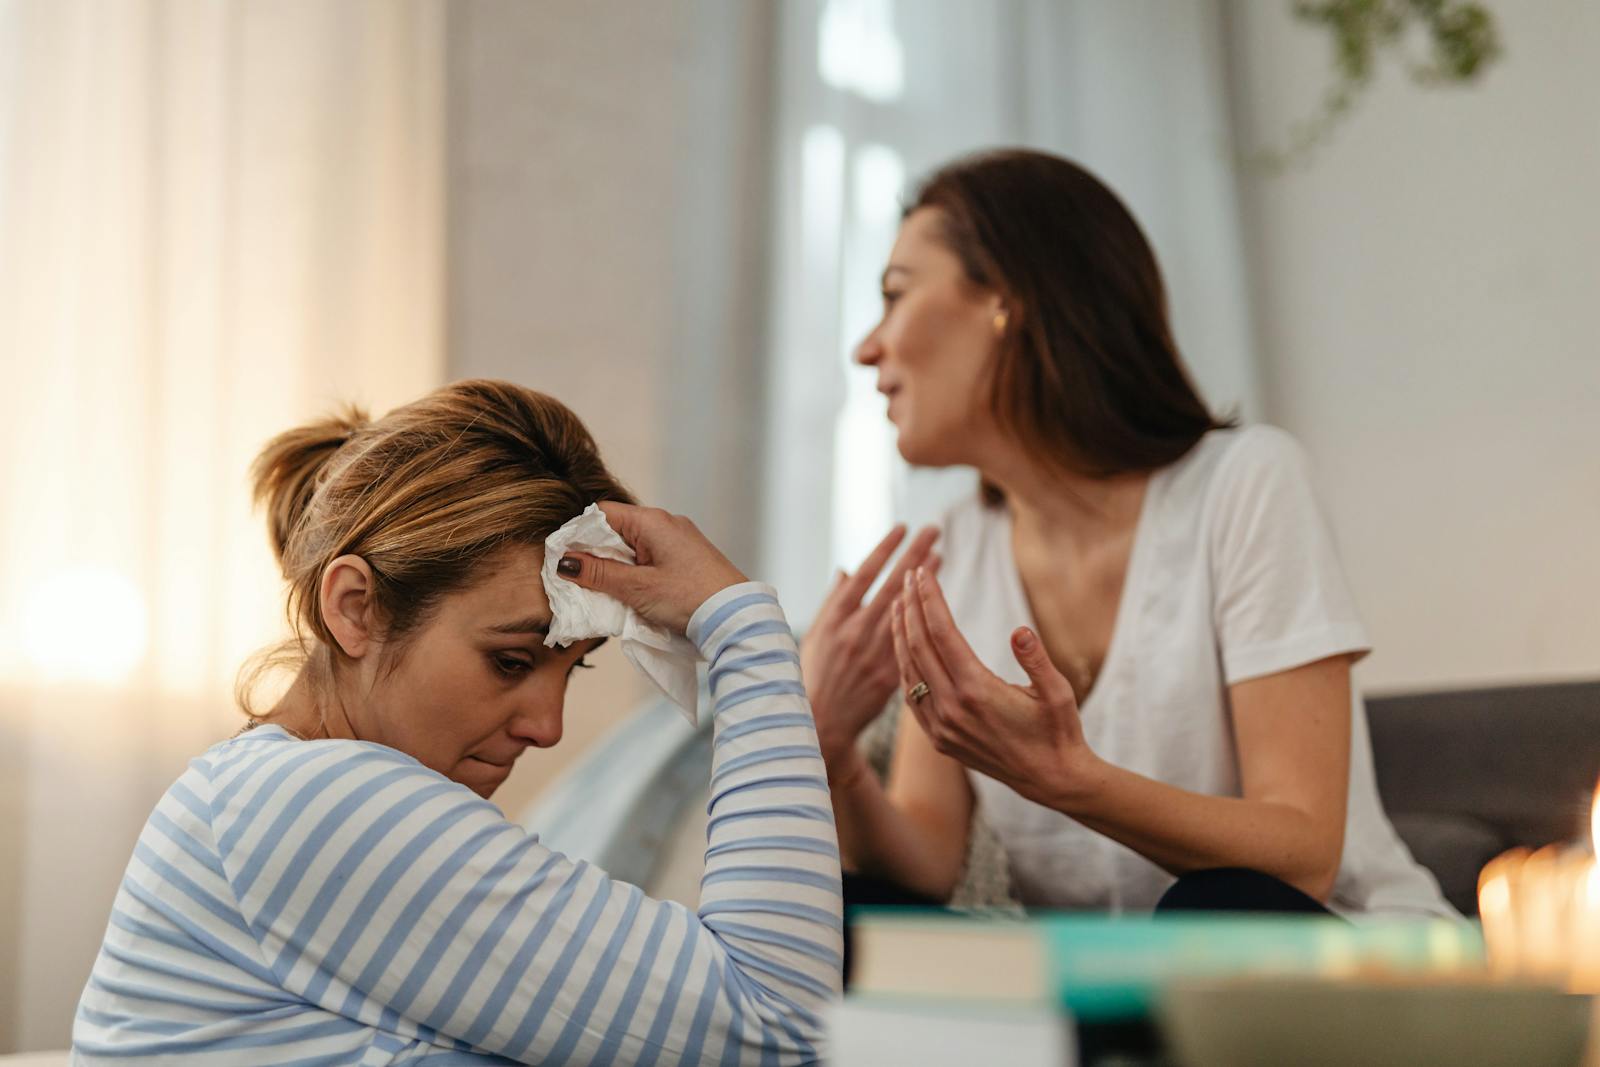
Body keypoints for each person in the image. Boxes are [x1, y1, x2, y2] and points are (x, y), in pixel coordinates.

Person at [74, 379, 842, 1065]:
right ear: (354, 608)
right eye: (510, 661)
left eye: (571, 668)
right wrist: (743, 630)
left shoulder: (275, 795)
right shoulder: (314, 803)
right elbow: (781, 1025)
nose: (549, 726)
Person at [801, 149, 1451, 918]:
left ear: (1008, 299)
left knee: (1217, 906)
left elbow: (1304, 854)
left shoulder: (1245, 482)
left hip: (1322, 964)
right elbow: (925, 864)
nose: (866, 348)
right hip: (1106, 996)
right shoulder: (951, 552)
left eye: (895, 295)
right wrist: (830, 749)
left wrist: (1068, 777)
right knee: (837, 922)